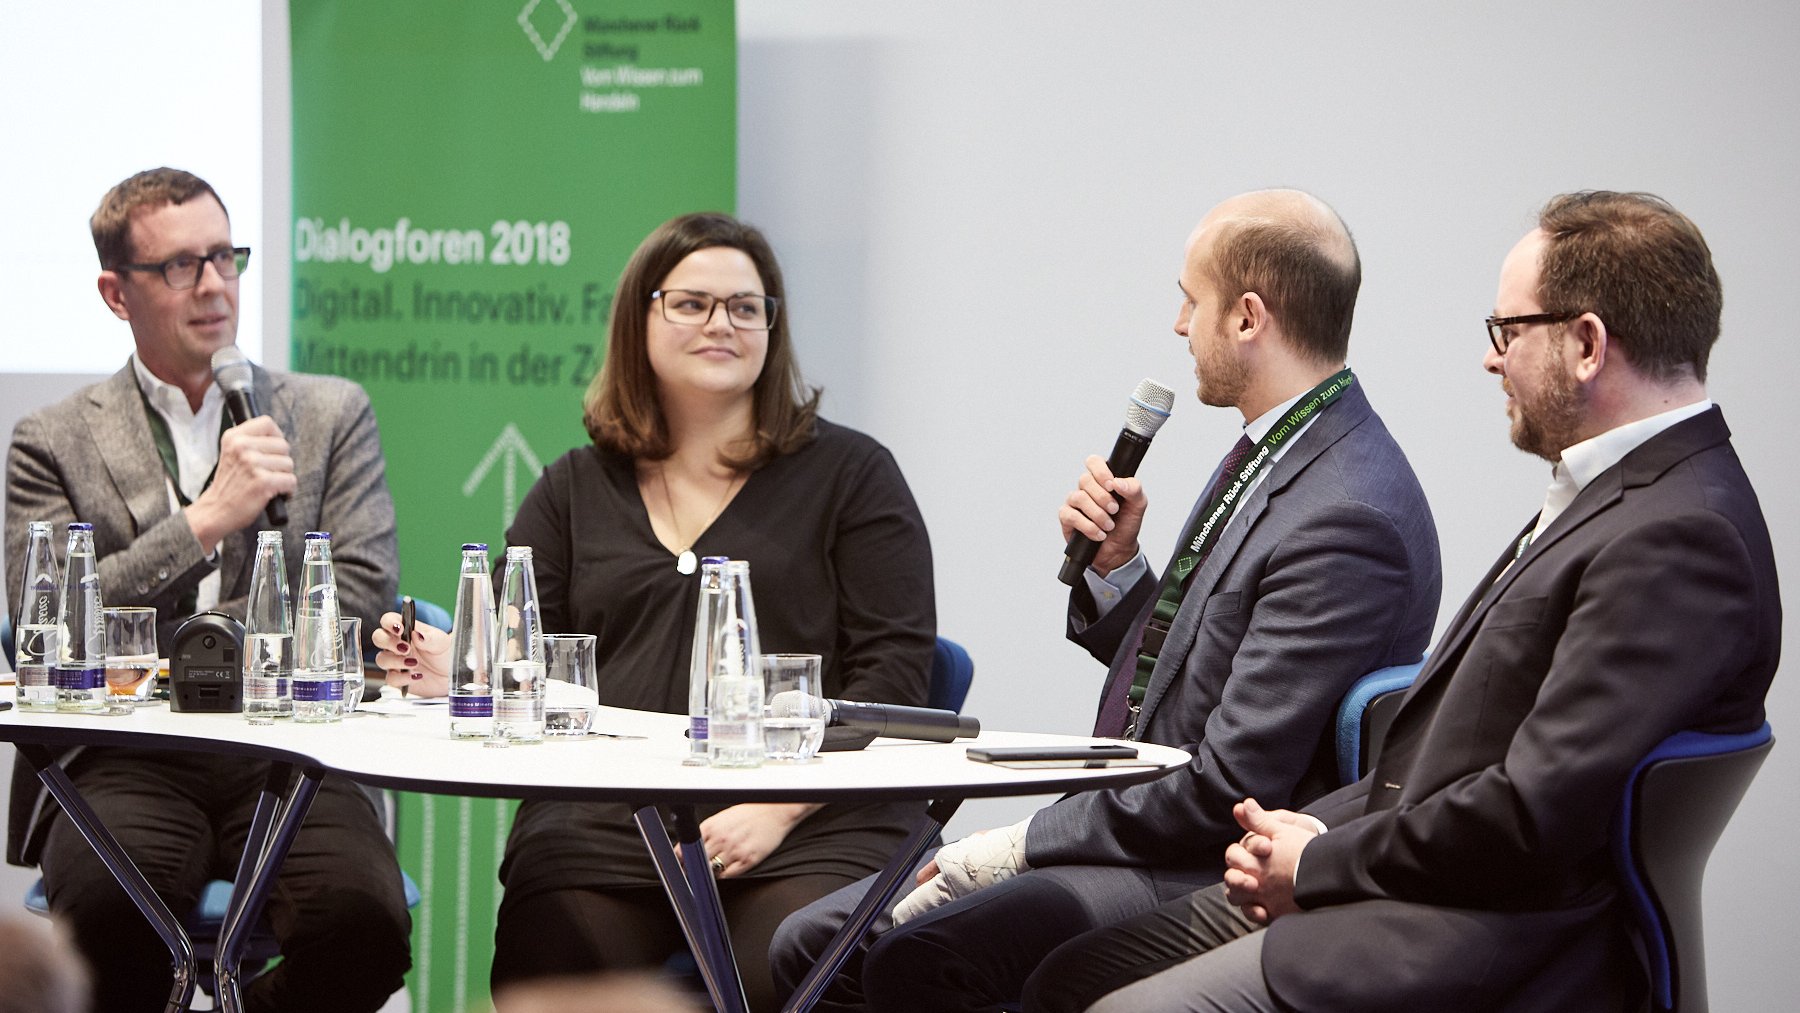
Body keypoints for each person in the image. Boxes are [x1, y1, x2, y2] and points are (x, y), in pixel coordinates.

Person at [1023, 191, 1782, 1013]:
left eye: (1508, 331)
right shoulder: (1622, 495)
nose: (1493, 360)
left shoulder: (1679, 536)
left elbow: (1531, 814)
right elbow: (1448, 754)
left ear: (1587, 343)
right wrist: (1309, 836)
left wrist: (1319, 862)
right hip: (1410, 880)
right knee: (1067, 974)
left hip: (1481, 937)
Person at [770, 189, 1442, 1012]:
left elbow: (1224, 785)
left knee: (916, 953)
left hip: (1208, 859)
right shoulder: (1285, 449)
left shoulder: (1346, 512)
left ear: (1248, 317)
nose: (1177, 324)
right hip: (1143, 824)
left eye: (1191, 300)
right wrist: (1119, 570)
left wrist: (1017, 844)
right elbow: (1197, 669)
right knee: (811, 939)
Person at [371, 212, 936, 1013]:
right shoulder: (572, 486)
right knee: (552, 973)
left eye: (747, 307)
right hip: (605, 818)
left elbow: (898, 675)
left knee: (789, 967)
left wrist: (776, 810)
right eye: (692, 303)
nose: (722, 323)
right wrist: (447, 670)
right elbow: (512, 650)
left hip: (811, 816)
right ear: (641, 318)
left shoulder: (854, 475)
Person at [4, 167, 412, 1012]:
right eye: (181, 266)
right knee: (112, 926)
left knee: (362, 926)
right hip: (128, 748)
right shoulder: (51, 439)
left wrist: (208, 635)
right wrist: (205, 522)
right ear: (117, 293)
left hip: (294, 748)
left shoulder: (329, 413)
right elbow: (44, 625)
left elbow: (365, 595)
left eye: (225, 257)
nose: (215, 285)